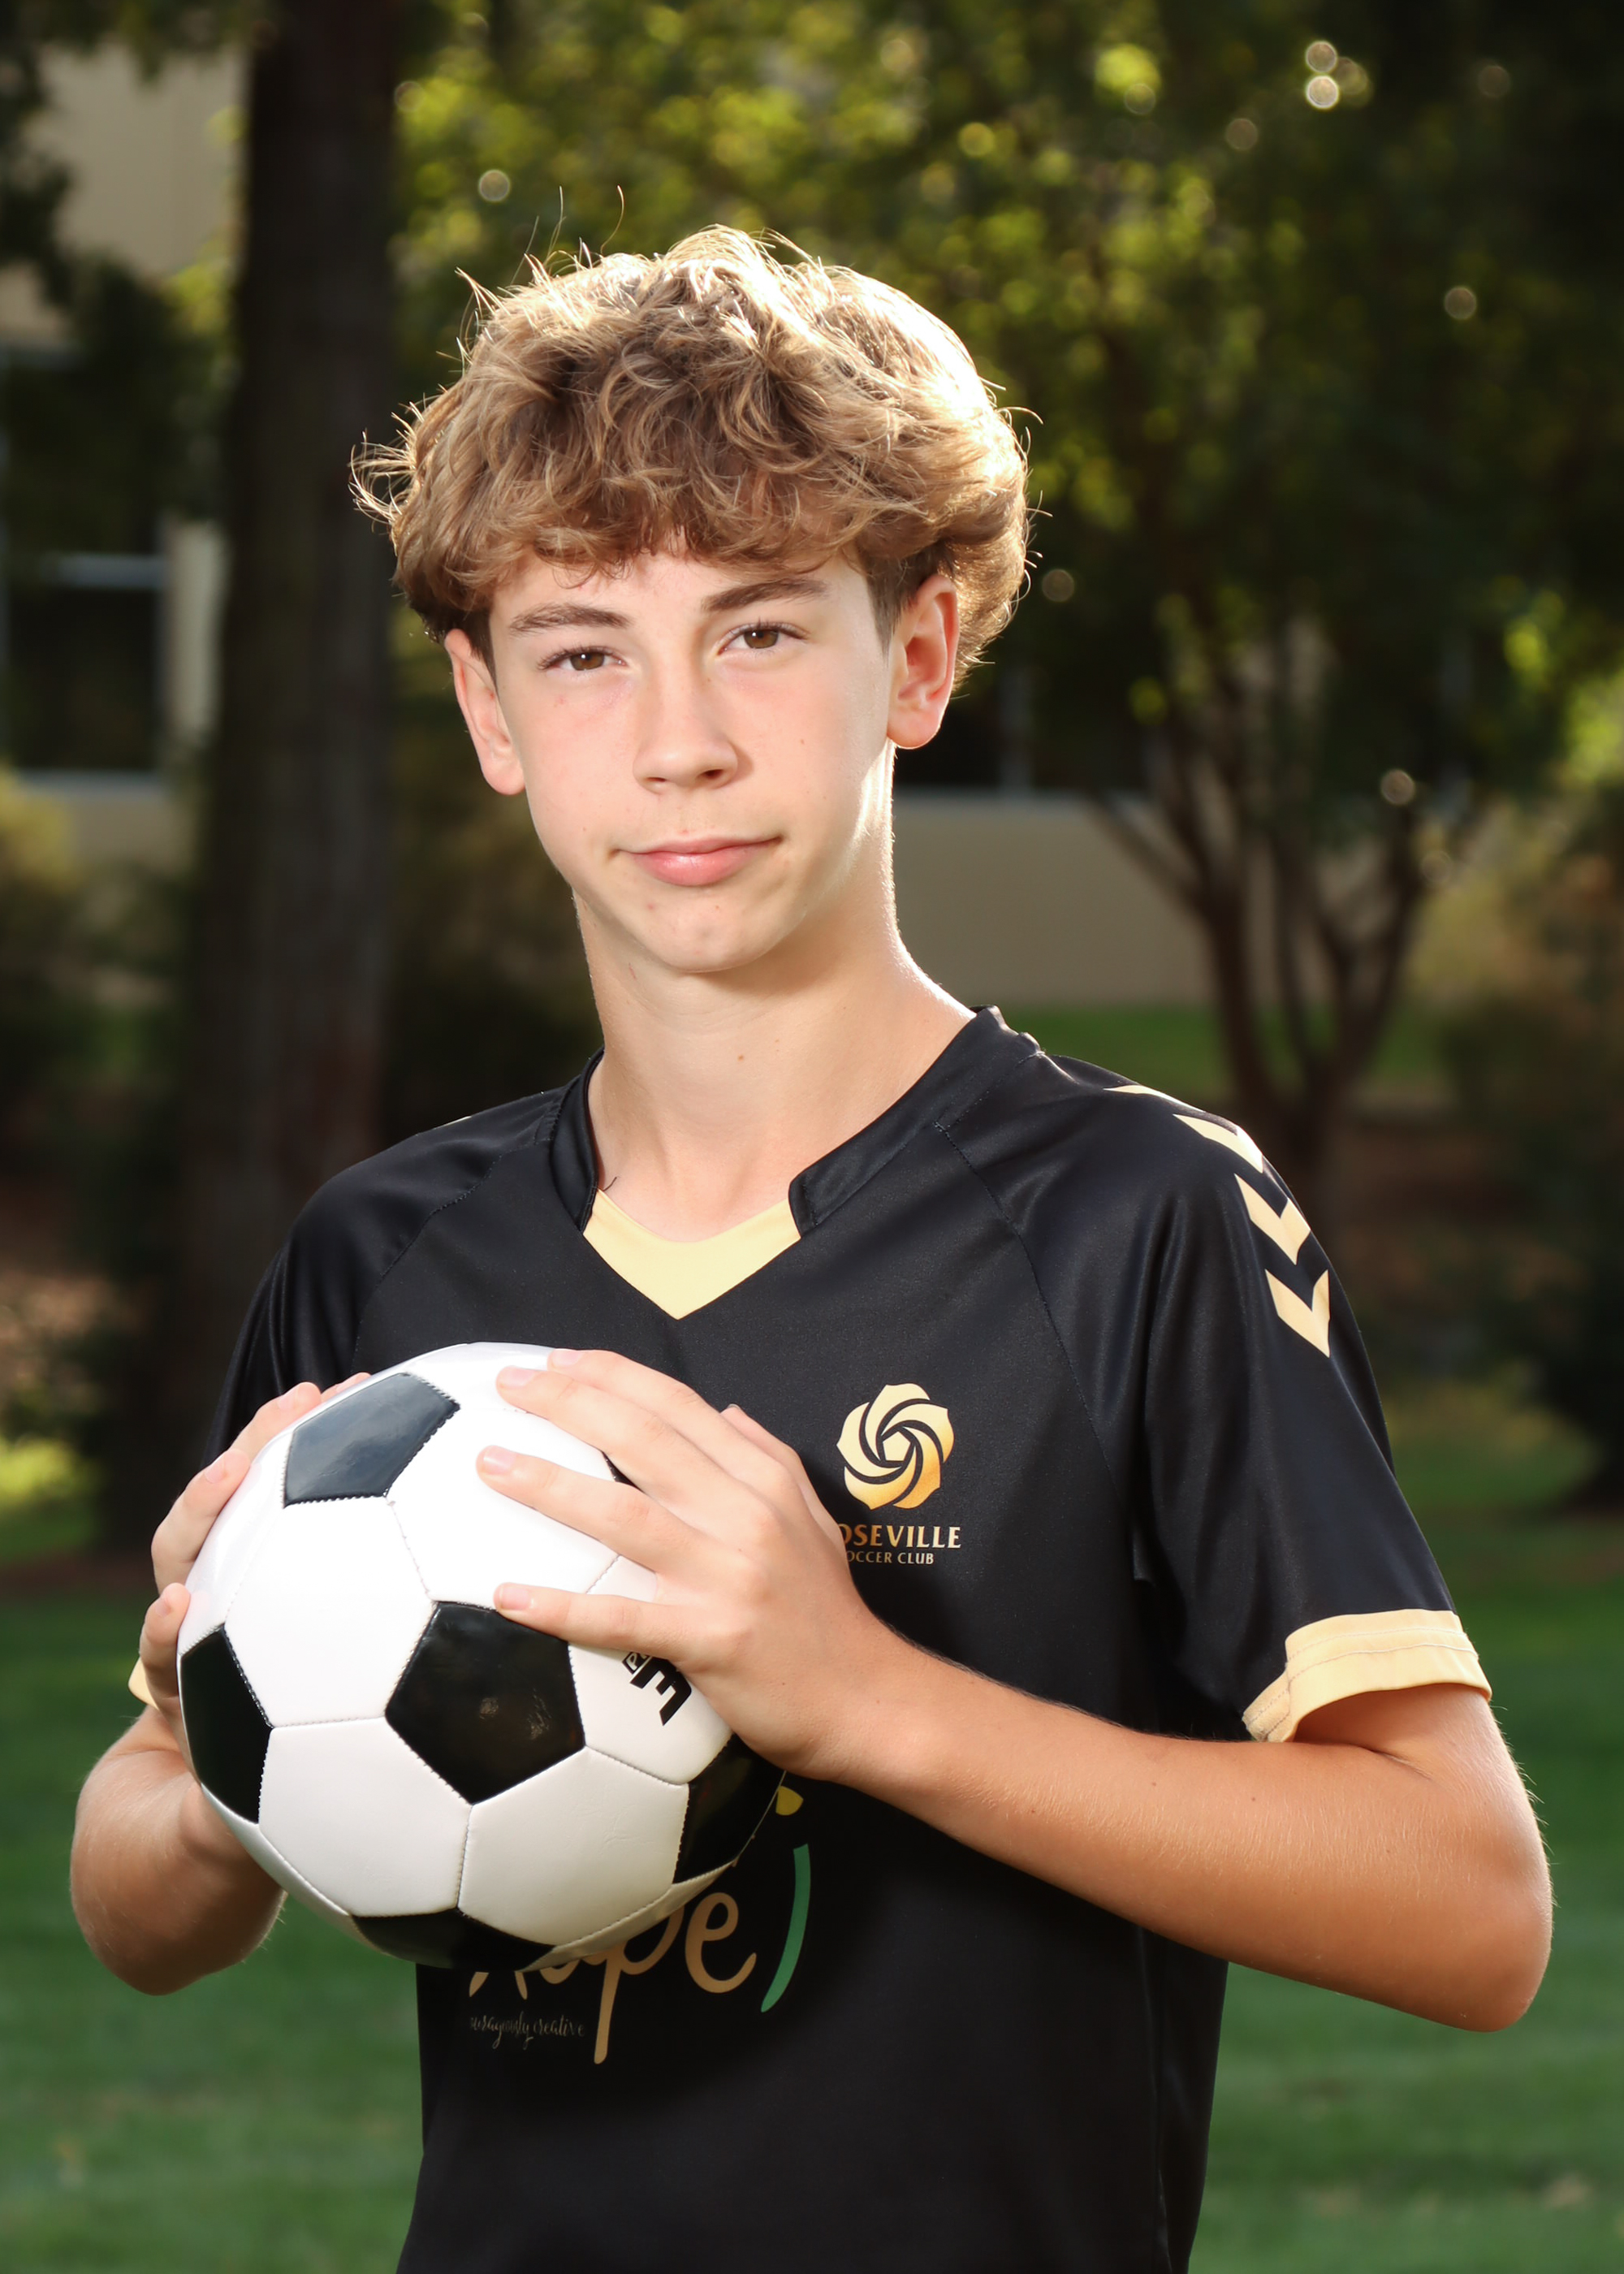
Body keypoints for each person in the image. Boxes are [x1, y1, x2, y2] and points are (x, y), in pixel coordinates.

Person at [71, 230, 1549, 2273]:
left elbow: (1470, 1902)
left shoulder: (1134, 1218)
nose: (675, 739)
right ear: (489, 706)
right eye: (582, 651)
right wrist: (220, 1730)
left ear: (917, 659)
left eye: (758, 631)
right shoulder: (384, 1265)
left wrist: (864, 1697)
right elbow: (139, 1890)